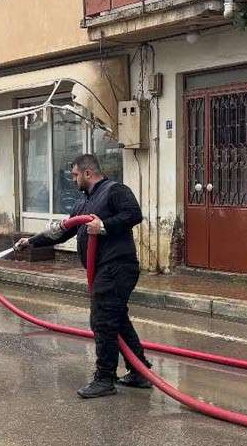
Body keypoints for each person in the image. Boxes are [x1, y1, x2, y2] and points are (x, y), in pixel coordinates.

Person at [16, 154, 151, 398]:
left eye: (76, 174)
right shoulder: (82, 203)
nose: (74, 179)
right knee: (116, 320)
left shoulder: (115, 191)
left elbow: (133, 214)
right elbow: (63, 231)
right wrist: (31, 242)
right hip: (102, 270)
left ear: (88, 173)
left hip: (118, 267)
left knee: (102, 321)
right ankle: (139, 371)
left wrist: (104, 226)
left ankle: (104, 378)